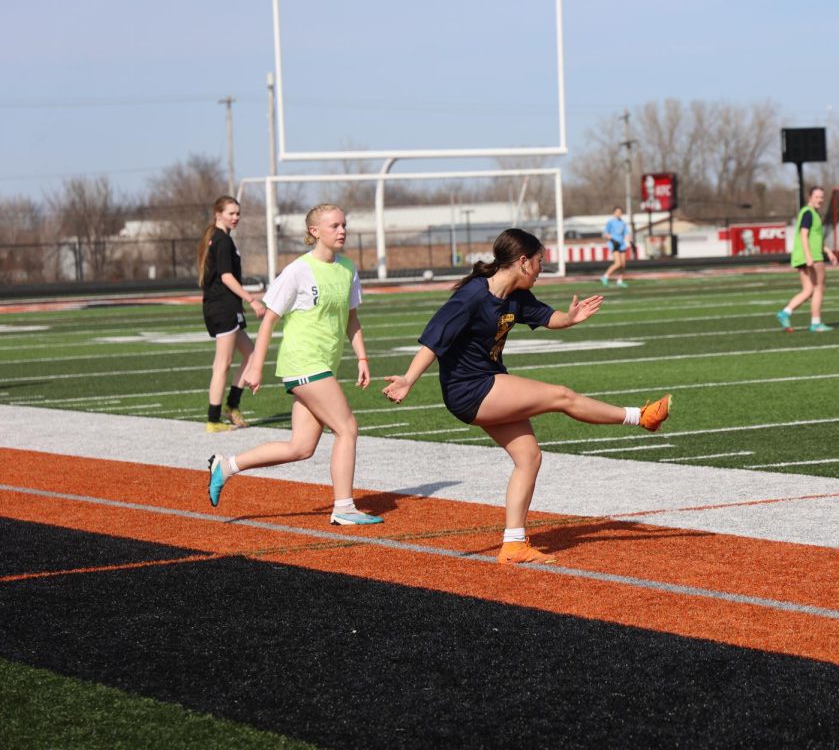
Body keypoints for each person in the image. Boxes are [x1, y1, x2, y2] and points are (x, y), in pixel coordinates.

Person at [382, 228, 671, 564]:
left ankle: (514, 544)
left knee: (529, 457)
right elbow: (434, 341)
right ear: (522, 262)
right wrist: (407, 380)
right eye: (539, 262)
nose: (541, 270)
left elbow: (550, 318)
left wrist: (571, 318)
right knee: (561, 396)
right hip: (469, 389)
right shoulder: (473, 296)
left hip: (488, 382)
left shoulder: (516, 296)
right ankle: (640, 416)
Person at [207, 203, 383, 526]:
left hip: (325, 365)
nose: (342, 231)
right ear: (315, 231)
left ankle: (227, 465)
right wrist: (256, 366)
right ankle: (343, 508)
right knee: (347, 428)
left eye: (344, 225)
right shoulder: (297, 271)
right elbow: (269, 320)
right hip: (303, 363)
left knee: (301, 447)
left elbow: (352, 319)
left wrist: (362, 357)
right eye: (334, 226)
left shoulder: (347, 268)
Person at [198, 195, 267, 432]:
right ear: (218, 214)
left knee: (251, 354)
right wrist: (252, 300)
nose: (235, 217)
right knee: (222, 365)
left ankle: (232, 405)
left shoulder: (218, 238)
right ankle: (213, 419)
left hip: (221, 306)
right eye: (231, 213)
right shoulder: (222, 240)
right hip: (223, 307)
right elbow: (226, 277)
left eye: (238, 213)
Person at [776, 186, 837, 333]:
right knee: (819, 288)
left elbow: (815, 238)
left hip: (806, 256)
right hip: (812, 257)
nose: (820, 200)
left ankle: (785, 313)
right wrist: (809, 256)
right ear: (810, 197)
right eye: (817, 197)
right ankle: (815, 323)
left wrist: (828, 251)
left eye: (822, 197)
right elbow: (804, 235)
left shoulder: (812, 214)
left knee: (808, 290)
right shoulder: (809, 213)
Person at [600, 206, 631, 287]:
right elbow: (605, 234)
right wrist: (613, 240)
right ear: (614, 213)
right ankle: (605, 276)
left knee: (623, 265)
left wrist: (629, 241)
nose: (619, 214)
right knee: (617, 263)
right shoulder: (610, 222)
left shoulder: (623, 223)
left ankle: (620, 280)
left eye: (620, 212)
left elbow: (626, 233)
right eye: (617, 212)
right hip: (614, 244)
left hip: (622, 245)